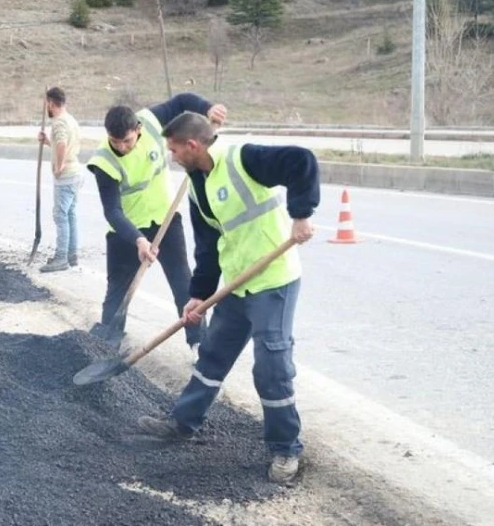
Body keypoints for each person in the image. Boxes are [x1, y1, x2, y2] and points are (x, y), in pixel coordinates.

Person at [136, 112, 320, 485]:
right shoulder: (198, 182)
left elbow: (302, 161)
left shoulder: (244, 159)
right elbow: (208, 245)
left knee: (271, 365)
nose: (171, 157)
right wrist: (198, 295)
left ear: (193, 145)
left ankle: (285, 449)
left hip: (272, 281)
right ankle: (182, 423)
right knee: (213, 354)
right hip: (236, 284)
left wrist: (301, 214)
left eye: (173, 149)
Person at [85, 94, 227, 354]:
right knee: (118, 291)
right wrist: (138, 239)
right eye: (116, 142)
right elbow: (112, 211)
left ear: (137, 129)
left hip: (165, 219)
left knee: (183, 282)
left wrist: (208, 108)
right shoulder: (103, 160)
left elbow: (182, 101)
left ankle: (198, 342)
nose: (122, 147)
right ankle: (106, 345)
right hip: (126, 232)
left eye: (127, 141)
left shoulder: (150, 121)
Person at [36, 87, 82, 273]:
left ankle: (61, 257)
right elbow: (61, 143)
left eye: (46, 103)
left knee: (61, 216)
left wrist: (59, 166)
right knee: (70, 214)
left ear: (50, 103)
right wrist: (47, 141)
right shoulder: (70, 120)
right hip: (76, 172)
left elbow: (62, 144)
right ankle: (72, 255)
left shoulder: (59, 122)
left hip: (67, 175)